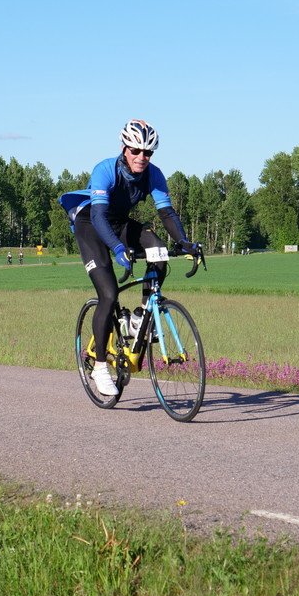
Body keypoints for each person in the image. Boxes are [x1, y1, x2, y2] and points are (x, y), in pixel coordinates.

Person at [63, 120, 201, 396]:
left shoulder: (154, 174)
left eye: (148, 153)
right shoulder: (105, 170)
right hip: (91, 224)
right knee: (109, 295)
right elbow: (100, 216)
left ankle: (140, 314)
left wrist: (184, 242)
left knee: (158, 250)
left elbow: (167, 214)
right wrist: (116, 248)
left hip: (119, 224)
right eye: (136, 150)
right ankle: (101, 367)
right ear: (124, 148)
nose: (142, 157)